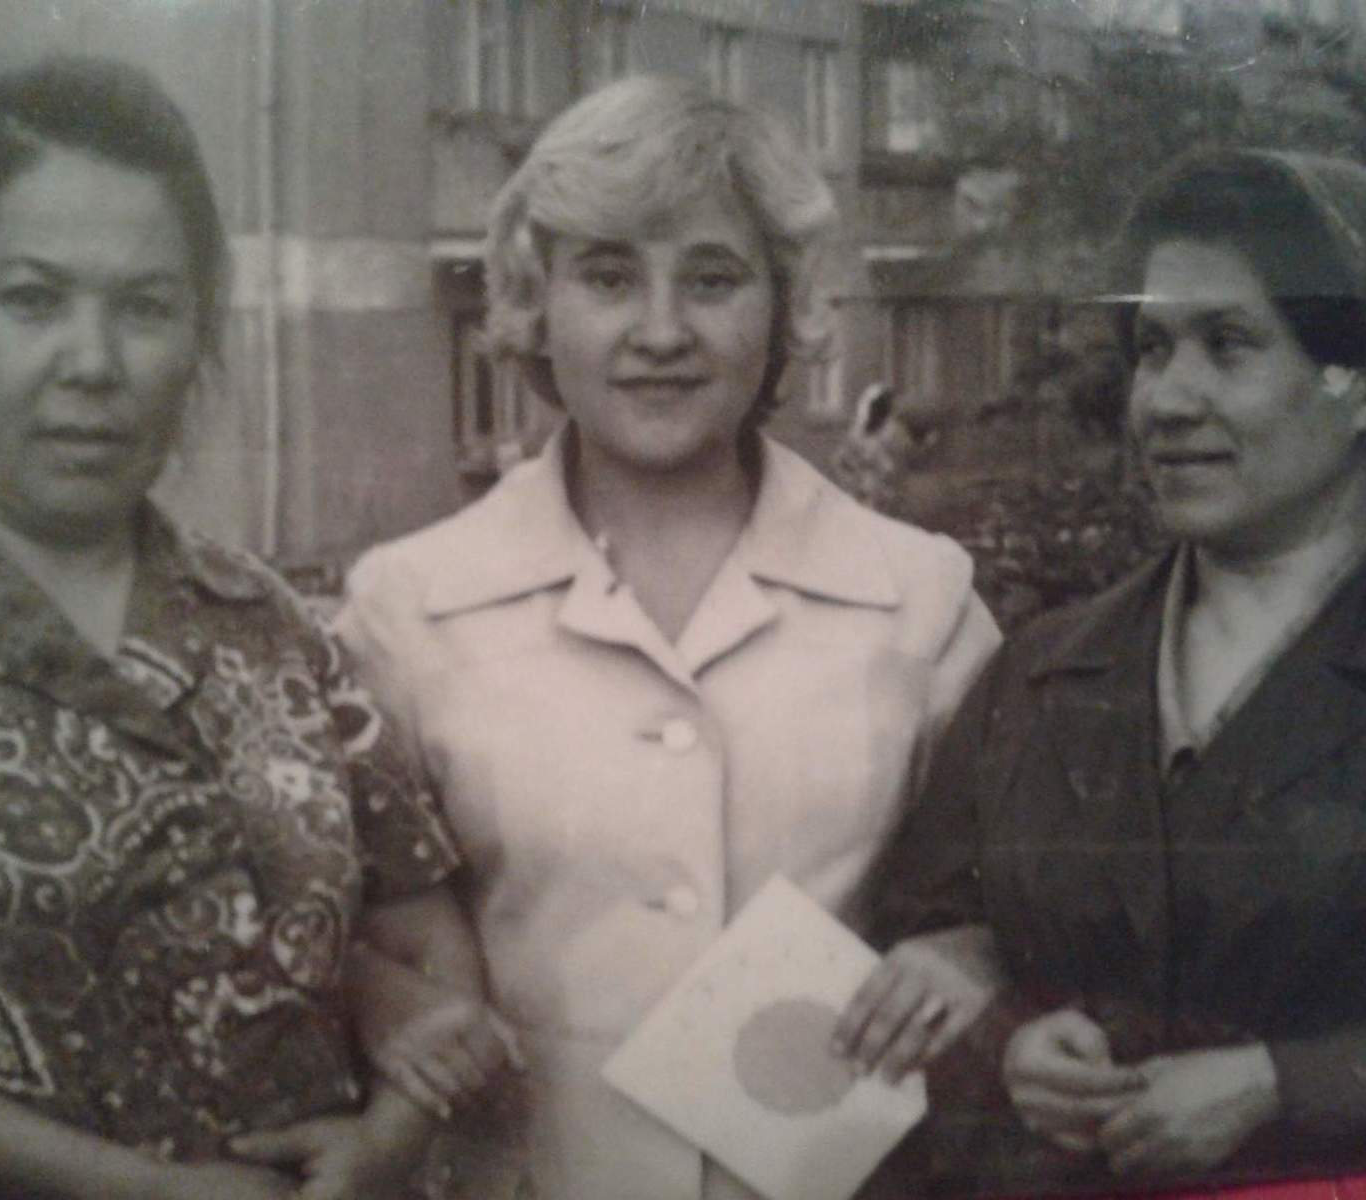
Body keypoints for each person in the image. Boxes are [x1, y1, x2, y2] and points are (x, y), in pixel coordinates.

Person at [0, 56, 506, 1200]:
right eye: (34, 300)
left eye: (145, 309)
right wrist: (129, 1189)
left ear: (197, 336)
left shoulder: (271, 624)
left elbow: (421, 930)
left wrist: (390, 1135)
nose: (93, 365)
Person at [334, 75, 1000, 1200]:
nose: (659, 332)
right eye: (606, 277)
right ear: (534, 303)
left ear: (787, 310)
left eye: (712, 279)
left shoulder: (920, 598)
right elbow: (315, 919)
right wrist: (379, 995)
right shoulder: (408, 605)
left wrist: (969, 953)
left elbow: (1016, 901)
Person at [847, 148, 1366, 1198]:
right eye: (1151, 348)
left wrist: (1282, 1085)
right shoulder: (1039, 670)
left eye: (1228, 346)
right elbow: (929, 926)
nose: (1164, 400)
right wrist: (1000, 1036)